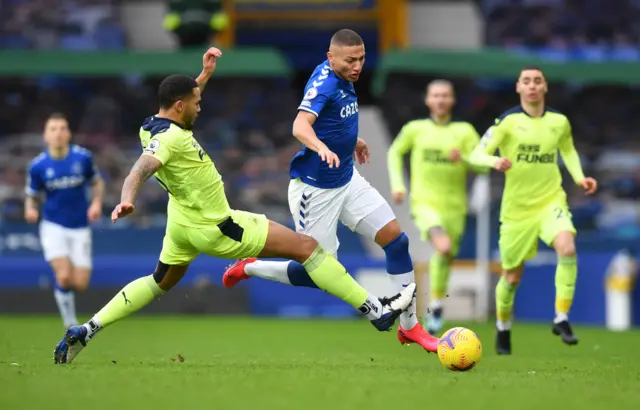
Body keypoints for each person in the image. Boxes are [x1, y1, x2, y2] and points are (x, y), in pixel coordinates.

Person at [53, 48, 416, 365]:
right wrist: (127, 198)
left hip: (181, 223)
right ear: (180, 107)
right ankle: (377, 311)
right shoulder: (170, 139)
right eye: (196, 102)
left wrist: (204, 76)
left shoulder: (152, 125)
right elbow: (142, 167)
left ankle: (88, 328)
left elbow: (172, 117)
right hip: (219, 226)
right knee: (309, 249)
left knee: (159, 281)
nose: (201, 105)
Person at [221, 29, 438, 353]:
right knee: (314, 272)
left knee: (396, 240)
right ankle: (250, 266)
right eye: (350, 60)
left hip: (346, 179)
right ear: (330, 57)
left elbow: (336, 119)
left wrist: (353, 141)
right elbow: (300, 125)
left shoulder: (343, 77)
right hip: (315, 191)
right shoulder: (324, 83)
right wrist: (321, 148)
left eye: (362, 58)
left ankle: (410, 328)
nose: (357, 66)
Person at [468, 66, 598, 355]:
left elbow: (569, 151)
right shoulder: (506, 122)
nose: (532, 86)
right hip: (517, 211)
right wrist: (494, 163)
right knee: (512, 277)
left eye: (537, 81)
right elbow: (476, 154)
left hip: (551, 201)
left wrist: (579, 178)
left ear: (545, 87)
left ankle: (561, 318)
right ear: (518, 87)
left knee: (567, 247)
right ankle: (502, 327)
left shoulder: (559, 122)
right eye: (526, 81)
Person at [387, 80, 488, 335]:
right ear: (428, 100)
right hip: (424, 202)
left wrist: (463, 158)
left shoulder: (464, 131)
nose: (440, 99)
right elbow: (395, 152)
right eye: (436, 95)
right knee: (441, 244)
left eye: (445, 95)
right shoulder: (416, 129)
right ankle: (432, 305)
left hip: (455, 207)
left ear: (452, 100)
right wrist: (398, 184)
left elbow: (484, 165)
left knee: (444, 256)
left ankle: (436, 306)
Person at [25, 113, 104, 329]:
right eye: (53, 129)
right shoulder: (38, 166)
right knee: (64, 276)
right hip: (53, 226)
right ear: (45, 136)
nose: (58, 133)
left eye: (62, 128)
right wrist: (31, 210)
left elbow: (97, 183)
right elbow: (31, 195)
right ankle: (70, 322)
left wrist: (96, 204)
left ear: (69, 133)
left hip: (80, 227)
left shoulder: (83, 158)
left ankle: (68, 306)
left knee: (80, 283)